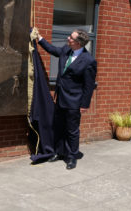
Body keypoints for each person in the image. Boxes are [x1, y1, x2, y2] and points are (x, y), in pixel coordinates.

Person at [35, 28, 97, 169]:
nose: (68, 38)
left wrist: (85, 104)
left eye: (71, 38)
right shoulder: (65, 51)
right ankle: (59, 152)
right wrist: (39, 38)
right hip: (61, 98)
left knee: (72, 130)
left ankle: (71, 157)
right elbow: (52, 49)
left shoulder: (89, 61)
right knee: (59, 127)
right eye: (70, 36)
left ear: (78, 43)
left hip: (74, 102)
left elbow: (89, 85)